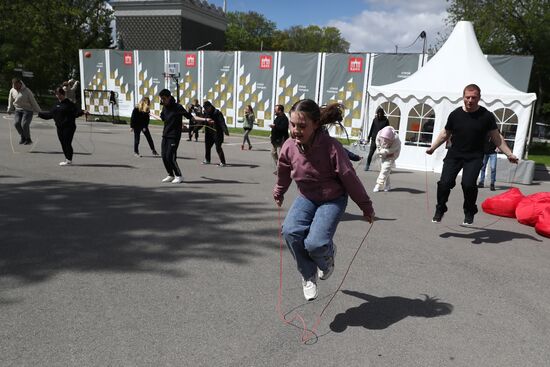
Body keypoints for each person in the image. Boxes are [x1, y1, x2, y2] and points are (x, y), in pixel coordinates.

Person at [273, 99, 375, 301]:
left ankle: (327, 256)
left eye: (302, 126)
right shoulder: (289, 146)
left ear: (316, 125)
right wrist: (279, 191)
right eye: (293, 125)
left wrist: (366, 206)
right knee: (290, 231)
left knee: (315, 243)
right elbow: (283, 171)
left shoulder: (331, 147)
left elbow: (349, 178)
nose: (295, 130)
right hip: (307, 197)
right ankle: (308, 274)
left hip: (332, 199)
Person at [426, 84, 518, 225]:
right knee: (444, 183)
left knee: (468, 185)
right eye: (467, 97)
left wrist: (509, 154)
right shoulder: (455, 114)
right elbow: (445, 133)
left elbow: (496, 137)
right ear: (463, 97)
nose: (470, 100)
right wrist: (432, 148)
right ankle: (440, 208)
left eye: (473, 97)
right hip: (454, 154)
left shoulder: (486, 116)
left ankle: (469, 211)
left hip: (474, 156)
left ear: (479, 98)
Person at [37, 87, 85, 165]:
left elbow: (76, 112)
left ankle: (69, 159)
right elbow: (50, 114)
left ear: (63, 94)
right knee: (62, 143)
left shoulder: (69, 104)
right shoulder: (56, 105)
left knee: (67, 142)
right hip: (59, 127)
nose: (57, 96)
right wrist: (40, 114)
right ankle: (67, 159)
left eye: (59, 94)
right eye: (56, 94)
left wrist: (82, 112)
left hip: (69, 126)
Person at [158, 89, 193, 184]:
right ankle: (170, 174)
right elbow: (163, 118)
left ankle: (179, 175)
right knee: (164, 156)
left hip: (174, 135)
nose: (163, 101)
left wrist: (205, 120)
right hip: (165, 134)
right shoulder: (165, 107)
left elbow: (190, 116)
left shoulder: (178, 107)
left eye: (164, 98)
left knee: (170, 156)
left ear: (169, 97)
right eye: (161, 99)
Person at [7, 78, 41, 145]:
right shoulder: (12, 90)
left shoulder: (27, 91)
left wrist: (39, 112)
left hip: (28, 110)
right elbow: (10, 100)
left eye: (17, 86)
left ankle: (28, 139)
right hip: (18, 110)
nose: (16, 88)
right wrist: (9, 109)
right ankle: (23, 137)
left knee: (24, 124)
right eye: (14, 86)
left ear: (20, 84)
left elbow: (33, 102)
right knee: (16, 123)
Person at [199, 101, 228, 167]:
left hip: (217, 133)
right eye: (205, 109)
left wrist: (225, 130)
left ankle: (223, 162)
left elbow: (222, 122)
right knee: (207, 147)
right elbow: (203, 122)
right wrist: (195, 130)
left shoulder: (217, 113)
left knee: (218, 147)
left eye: (206, 108)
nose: (205, 110)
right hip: (209, 133)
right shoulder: (206, 113)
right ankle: (207, 160)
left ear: (210, 106)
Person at [373, 126, 401, 192]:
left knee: (385, 168)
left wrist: (384, 151)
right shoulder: (379, 133)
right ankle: (388, 185)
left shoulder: (396, 139)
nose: (385, 141)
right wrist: (379, 149)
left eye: (387, 139)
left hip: (392, 154)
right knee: (384, 169)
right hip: (381, 152)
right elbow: (377, 142)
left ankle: (378, 185)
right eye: (384, 139)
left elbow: (393, 149)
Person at [270, 104, 289, 171]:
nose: (274, 111)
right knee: (273, 153)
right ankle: (279, 167)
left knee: (282, 155)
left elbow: (282, 128)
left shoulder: (284, 118)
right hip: (275, 138)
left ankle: (282, 168)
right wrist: (271, 134)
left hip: (282, 138)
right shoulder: (277, 118)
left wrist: (274, 126)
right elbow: (275, 128)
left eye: (276, 110)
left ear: (280, 110)